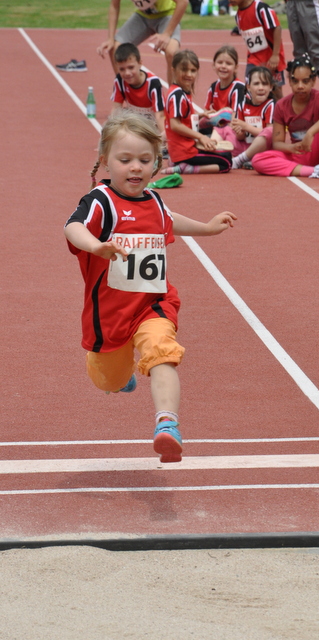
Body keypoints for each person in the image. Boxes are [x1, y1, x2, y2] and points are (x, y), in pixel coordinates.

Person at [64, 111, 236, 463]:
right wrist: (96, 246)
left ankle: (167, 424)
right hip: (109, 315)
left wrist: (207, 227)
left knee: (163, 353)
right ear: (105, 160)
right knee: (109, 380)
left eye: (145, 160)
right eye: (125, 160)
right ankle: (120, 375)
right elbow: (73, 227)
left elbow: (169, 220)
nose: (136, 168)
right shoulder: (101, 201)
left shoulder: (155, 200)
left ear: (156, 162)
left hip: (153, 303)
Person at [251, 54, 319, 179]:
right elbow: (277, 143)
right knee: (258, 160)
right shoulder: (281, 105)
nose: (300, 86)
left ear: (313, 81)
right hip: (300, 153)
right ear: (290, 82)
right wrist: (291, 147)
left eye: (305, 81)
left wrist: (311, 133)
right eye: (295, 81)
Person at [161, 50, 233, 175]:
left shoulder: (180, 91)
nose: (189, 74)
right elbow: (175, 125)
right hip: (185, 151)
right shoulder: (177, 95)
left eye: (193, 70)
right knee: (226, 162)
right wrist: (201, 137)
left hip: (183, 148)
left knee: (222, 151)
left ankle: (177, 162)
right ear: (173, 70)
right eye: (184, 70)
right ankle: (185, 168)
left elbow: (182, 117)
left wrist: (199, 116)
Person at [96, 0, 189, 85]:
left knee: (172, 52)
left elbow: (183, 2)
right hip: (143, 16)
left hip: (167, 15)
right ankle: (124, 90)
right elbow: (114, 5)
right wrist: (110, 38)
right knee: (115, 48)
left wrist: (167, 33)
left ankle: (174, 94)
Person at [211, 66, 275, 168]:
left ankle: (240, 159)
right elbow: (240, 137)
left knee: (270, 131)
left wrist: (246, 126)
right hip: (244, 146)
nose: (261, 88)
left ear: (271, 87)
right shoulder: (242, 104)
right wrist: (240, 131)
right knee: (222, 127)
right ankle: (212, 151)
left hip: (262, 148)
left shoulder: (271, 105)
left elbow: (268, 134)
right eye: (256, 84)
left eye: (265, 84)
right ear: (248, 87)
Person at [229, 0, 286, 100]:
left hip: (271, 59)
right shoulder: (238, 16)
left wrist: (275, 55)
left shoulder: (261, 8)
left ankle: (281, 109)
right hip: (254, 59)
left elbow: (277, 28)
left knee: (275, 91)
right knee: (250, 89)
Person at [111, 43, 166, 139]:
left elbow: (160, 116)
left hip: (155, 126)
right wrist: (109, 136)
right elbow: (116, 109)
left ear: (140, 63)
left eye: (131, 67)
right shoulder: (119, 81)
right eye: (122, 69)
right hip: (137, 125)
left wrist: (164, 140)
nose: (127, 73)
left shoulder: (153, 83)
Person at [284, 0, 319, 93]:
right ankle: (303, 91)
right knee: (299, 50)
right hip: (291, 3)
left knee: (318, 46)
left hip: (309, 3)